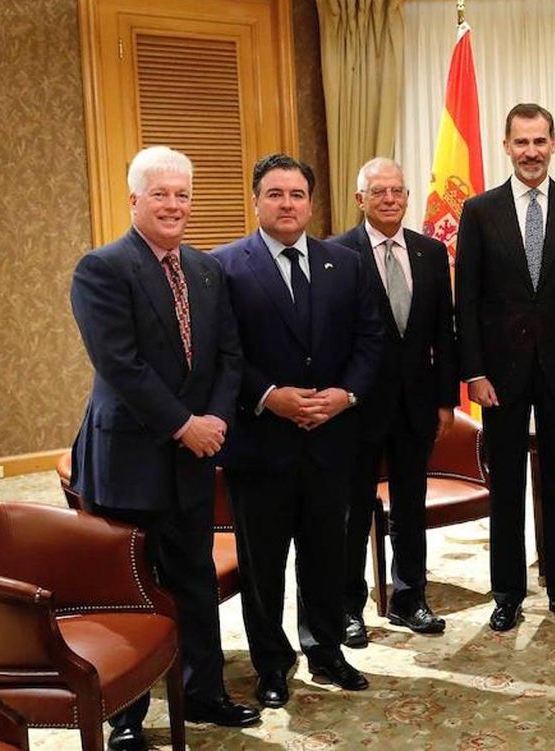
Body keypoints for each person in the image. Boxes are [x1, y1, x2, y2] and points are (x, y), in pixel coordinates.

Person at [69, 145, 260, 751]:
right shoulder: (101, 268)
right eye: (160, 194)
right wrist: (184, 424)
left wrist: (216, 422)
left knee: (194, 575)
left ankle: (205, 691)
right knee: (130, 583)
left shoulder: (206, 270)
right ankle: (126, 719)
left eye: (182, 194)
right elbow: (119, 365)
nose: (174, 205)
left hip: (195, 455)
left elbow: (230, 355)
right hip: (131, 455)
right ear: (134, 200)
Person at [212, 154, 383, 709]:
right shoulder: (224, 266)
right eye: (275, 194)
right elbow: (224, 353)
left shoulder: (346, 262)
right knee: (263, 563)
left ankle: (326, 649)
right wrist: (269, 398)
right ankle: (271, 662)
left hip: (331, 439)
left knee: (325, 552)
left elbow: (370, 339)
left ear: (312, 202)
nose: (287, 204)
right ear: (257, 200)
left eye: (297, 194)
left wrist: (345, 395)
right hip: (262, 441)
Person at [455, 103, 555, 631]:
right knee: (508, 485)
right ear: (506, 145)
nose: (531, 152)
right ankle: (507, 594)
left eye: (540, 141)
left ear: (554, 144)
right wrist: (473, 371)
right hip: (500, 375)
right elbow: (465, 300)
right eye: (521, 142)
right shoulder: (478, 211)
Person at [331, 158, 458, 645]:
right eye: (378, 191)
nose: (389, 199)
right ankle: (348, 606)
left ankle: (410, 598)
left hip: (416, 405)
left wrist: (446, 400)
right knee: (353, 508)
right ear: (359, 199)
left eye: (397, 191)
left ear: (408, 198)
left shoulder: (429, 252)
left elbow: (444, 336)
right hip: (358, 406)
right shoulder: (338, 253)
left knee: (411, 504)